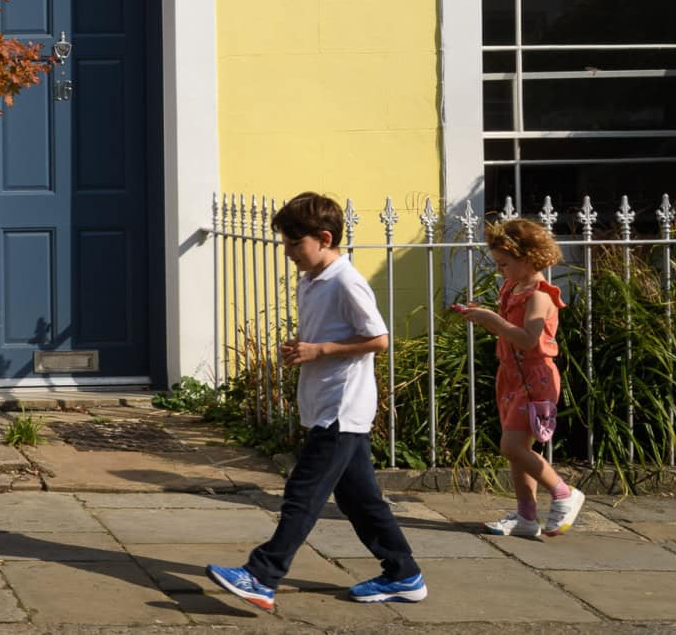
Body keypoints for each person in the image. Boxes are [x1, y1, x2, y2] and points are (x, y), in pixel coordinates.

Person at [208, 192, 426, 610]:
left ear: (324, 238)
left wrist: (319, 351)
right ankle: (404, 574)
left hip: (342, 409)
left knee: (302, 493)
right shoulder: (312, 279)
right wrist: (305, 349)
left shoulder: (346, 281)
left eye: (294, 243)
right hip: (326, 404)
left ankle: (262, 575)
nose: (288, 252)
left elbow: (378, 339)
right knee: (360, 500)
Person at [450, 217, 583, 538]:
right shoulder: (514, 286)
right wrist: (481, 315)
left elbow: (528, 339)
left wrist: (491, 320)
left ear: (528, 258)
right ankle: (526, 516)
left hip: (534, 379)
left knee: (511, 446)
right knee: (517, 449)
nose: (500, 270)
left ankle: (564, 493)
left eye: (504, 263)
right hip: (510, 375)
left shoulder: (540, 296)